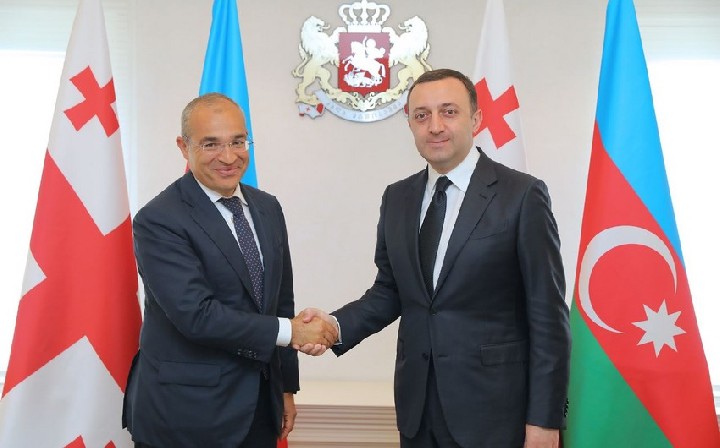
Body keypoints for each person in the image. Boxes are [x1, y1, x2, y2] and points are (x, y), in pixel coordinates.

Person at [300, 69, 571, 448]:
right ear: (410, 124)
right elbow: (389, 291)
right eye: (422, 115)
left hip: (495, 415)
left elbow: (549, 318)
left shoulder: (522, 195)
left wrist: (544, 420)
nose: (435, 126)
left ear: (476, 119)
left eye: (449, 111)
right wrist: (334, 326)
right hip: (418, 411)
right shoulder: (398, 198)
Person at [122, 92, 337, 448]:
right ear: (183, 147)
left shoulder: (267, 207)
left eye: (238, 141)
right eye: (211, 144)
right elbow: (196, 315)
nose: (228, 157)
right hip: (185, 416)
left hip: (260, 408)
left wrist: (285, 388)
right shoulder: (159, 219)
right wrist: (292, 332)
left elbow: (280, 303)